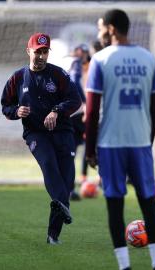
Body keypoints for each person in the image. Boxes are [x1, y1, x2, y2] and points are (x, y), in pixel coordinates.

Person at [85, 9, 155, 270]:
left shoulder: (100, 60)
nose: (99, 33)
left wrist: (90, 149)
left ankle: (124, 267)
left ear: (111, 28)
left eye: (100, 28)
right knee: (148, 204)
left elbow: (92, 109)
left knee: (115, 206)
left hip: (110, 145)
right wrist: (147, 140)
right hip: (140, 143)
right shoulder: (149, 59)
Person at [1, 32, 82, 245]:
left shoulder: (59, 75)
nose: (41, 56)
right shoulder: (17, 78)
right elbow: (6, 106)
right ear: (29, 51)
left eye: (45, 52)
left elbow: (76, 101)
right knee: (49, 165)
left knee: (66, 182)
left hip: (63, 131)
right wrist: (16, 111)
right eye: (38, 52)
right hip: (36, 134)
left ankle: (52, 236)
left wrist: (56, 111)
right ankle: (61, 210)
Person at [69, 42, 103, 200]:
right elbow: (76, 84)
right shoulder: (76, 66)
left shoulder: (92, 65)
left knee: (76, 150)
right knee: (93, 146)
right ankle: (95, 180)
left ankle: (74, 185)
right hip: (80, 113)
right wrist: (87, 104)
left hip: (76, 113)